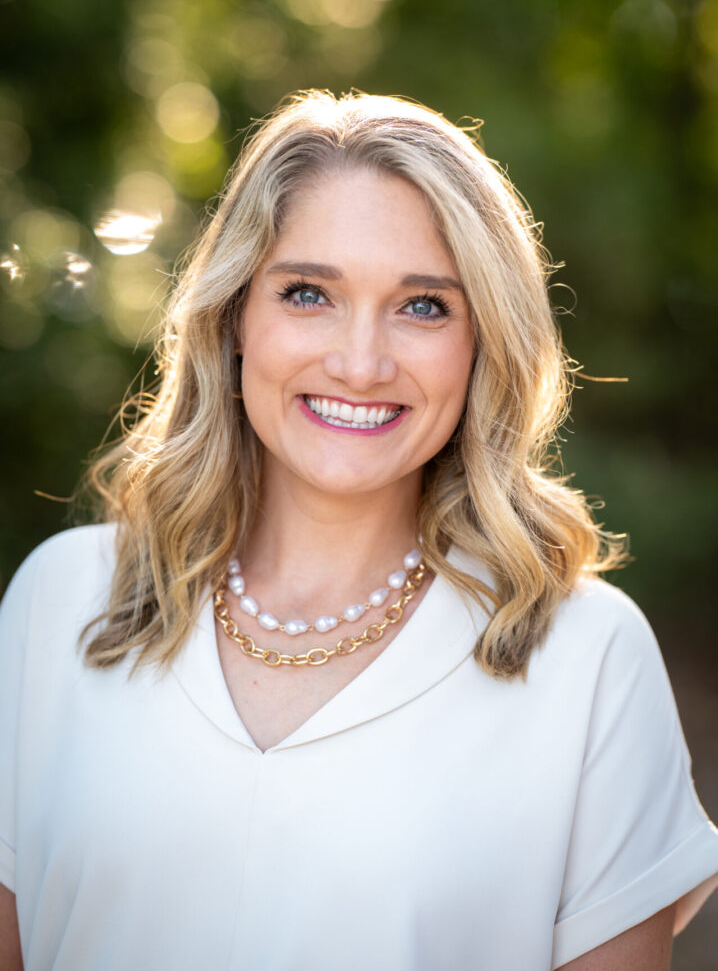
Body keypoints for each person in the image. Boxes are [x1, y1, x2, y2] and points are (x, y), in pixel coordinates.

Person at [1, 90, 717, 971]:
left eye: (423, 307)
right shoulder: (61, 601)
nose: (361, 362)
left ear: (483, 342)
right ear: (234, 319)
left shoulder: (588, 659)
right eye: (308, 293)